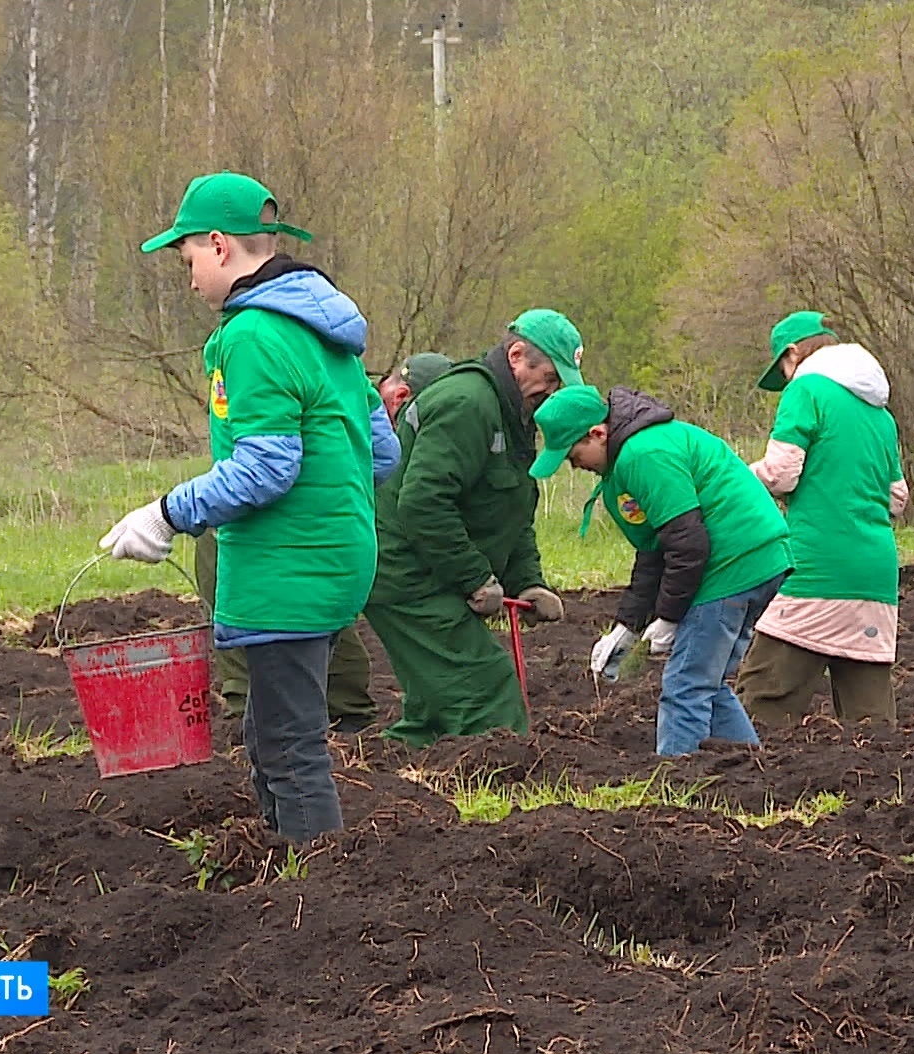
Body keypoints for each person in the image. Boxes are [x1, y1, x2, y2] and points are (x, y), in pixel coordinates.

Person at [99, 171, 393, 843]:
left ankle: (318, 883)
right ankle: (283, 873)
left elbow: (266, 467)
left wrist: (166, 514)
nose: (189, 279)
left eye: (188, 261)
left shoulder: (254, 333)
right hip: (336, 561)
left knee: (291, 750)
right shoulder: (324, 328)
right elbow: (379, 451)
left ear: (218, 244)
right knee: (269, 736)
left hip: (286, 573)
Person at [190, 353, 448, 733]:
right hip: (250, 536)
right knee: (263, 661)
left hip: (305, 541)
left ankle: (324, 730)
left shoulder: (347, 387)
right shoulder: (304, 376)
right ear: (401, 398)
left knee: (338, 673)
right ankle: (256, 738)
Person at [363, 311, 583, 748]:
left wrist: (528, 581)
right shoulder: (468, 403)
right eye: (549, 377)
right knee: (487, 692)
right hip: (403, 572)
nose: (552, 390)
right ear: (516, 356)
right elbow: (423, 504)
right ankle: (507, 779)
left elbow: (512, 508)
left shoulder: (512, 413)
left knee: (439, 710)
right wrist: (475, 578)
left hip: (429, 568)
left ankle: (393, 764)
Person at [532, 385, 791, 754]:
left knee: (685, 685)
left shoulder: (644, 454)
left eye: (574, 455)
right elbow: (654, 553)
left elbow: (688, 544)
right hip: (761, 561)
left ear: (598, 433)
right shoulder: (631, 457)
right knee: (707, 681)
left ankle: (677, 777)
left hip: (732, 565)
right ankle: (748, 767)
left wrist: (669, 617)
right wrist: (626, 627)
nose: (575, 466)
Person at [736, 311, 908, 727]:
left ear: (793, 353)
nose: (785, 379)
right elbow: (897, 498)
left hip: (815, 568)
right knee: (871, 724)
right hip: (875, 576)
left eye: (782, 367)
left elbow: (781, 473)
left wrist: (737, 479)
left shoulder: (806, 389)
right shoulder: (880, 414)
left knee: (763, 704)